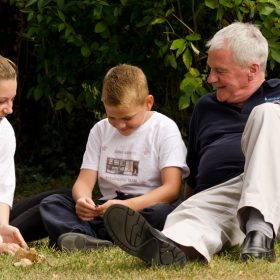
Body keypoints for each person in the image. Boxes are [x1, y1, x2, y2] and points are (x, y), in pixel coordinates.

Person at [103, 22, 280, 267]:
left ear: (252, 69)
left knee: (267, 114)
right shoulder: (206, 107)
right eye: (210, 70)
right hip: (224, 198)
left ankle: (260, 230)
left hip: (276, 191)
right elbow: (195, 175)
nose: (210, 79)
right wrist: (187, 205)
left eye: (220, 71)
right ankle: (171, 245)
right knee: (192, 214)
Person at [40, 64, 189, 252]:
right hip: (106, 209)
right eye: (112, 117)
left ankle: (84, 235)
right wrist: (82, 200)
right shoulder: (100, 129)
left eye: (127, 118)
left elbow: (172, 189)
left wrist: (127, 206)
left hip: (145, 207)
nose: (119, 125)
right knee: (52, 203)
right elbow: (84, 182)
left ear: (148, 103)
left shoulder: (164, 128)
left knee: (162, 214)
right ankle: (86, 237)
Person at [0, 54, 70, 255]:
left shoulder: (4, 131)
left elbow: (4, 186)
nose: (10, 109)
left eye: (12, 99)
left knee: (63, 197)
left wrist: (3, 225)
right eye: (1, 101)